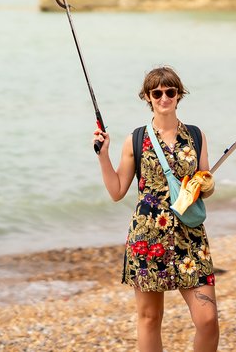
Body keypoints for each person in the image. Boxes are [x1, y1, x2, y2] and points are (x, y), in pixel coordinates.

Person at [93, 66, 218, 352]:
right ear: (148, 97)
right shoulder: (135, 139)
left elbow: (207, 185)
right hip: (148, 238)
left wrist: (203, 185)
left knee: (208, 319)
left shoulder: (196, 136)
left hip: (191, 238)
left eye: (170, 92)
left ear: (178, 95)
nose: (164, 97)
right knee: (150, 318)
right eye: (157, 92)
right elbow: (116, 191)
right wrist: (103, 156)